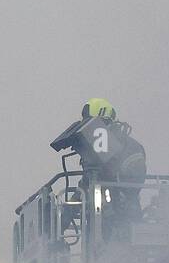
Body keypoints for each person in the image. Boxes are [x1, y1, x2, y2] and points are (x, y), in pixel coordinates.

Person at [54, 99, 147, 243]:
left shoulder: (127, 148)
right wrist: (60, 221)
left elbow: (133, 181)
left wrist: (59, 224)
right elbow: (84, 187)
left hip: (119, 223)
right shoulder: (111, 150)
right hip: (102, 226)